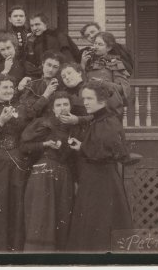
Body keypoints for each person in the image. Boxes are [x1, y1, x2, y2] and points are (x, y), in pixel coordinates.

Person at [66, 80, 133, 252]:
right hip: (93, 177)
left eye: (89, 98)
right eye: (84, 98)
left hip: (103, 181)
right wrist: (82, 146)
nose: (85, 102)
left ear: (102, 101)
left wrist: (83, 148)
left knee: (101, 221)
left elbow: (111, 152)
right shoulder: (98, 120)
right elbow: (98, 147)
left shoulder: (108, 122)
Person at [0, 74, 30, 252]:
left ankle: (15, 250)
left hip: (17, 160)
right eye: (4, 87)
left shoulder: (21, 107)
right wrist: (0, 122)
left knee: (17, 205)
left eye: (11, 87)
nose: (9, 90)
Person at [20, 91, 76, 251]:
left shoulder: (74, 126)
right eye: (58, 105)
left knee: (62, 215)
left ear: (71, 106)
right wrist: (45, 144)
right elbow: (24, 147)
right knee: (42, 216)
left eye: (66, 104)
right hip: (43, 175)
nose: (63, 108)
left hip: (64, 175)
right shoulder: (42, 123)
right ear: (52, 108)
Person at [81, 31, 131, 119]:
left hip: (109, 109)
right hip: (90, 109)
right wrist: (82, 64)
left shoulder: (115, 63)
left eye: (100, 44)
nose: (96, 46)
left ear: (108, 48)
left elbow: (123, 89)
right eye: (95, 43)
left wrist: (103, 83)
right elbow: (81, 84)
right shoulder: (89, 62)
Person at [18, 51, 65, 120]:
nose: (50, 69)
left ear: (59, 69)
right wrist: (46, 95)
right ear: (43, 64)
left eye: (55, 67)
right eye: (48, 65)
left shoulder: (61, 86)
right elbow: (29, 113)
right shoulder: (32, 83)